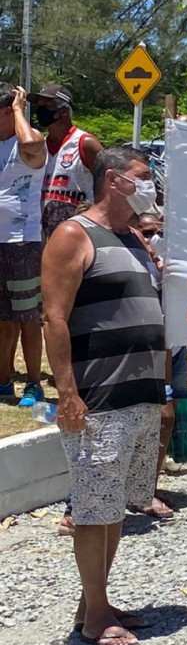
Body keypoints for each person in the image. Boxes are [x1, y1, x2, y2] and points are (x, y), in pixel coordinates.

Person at [41, 146, 170, 645]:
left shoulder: (133, 238)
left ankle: (94, 603)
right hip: (98, 397)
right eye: (143, 175)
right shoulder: (74, 234)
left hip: (139, 395)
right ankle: (96, 618)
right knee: (93, 509)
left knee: (113, 508)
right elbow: (54, 317)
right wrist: (67, 393)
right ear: (113, 180)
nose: (149, 184)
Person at [0, 84, 48, 407]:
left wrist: (19, 110)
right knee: (3, 318)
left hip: (22, 242)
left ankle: (33, 383)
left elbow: (31, 142)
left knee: (28, 317)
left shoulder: (29, 144)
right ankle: (4, 380)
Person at [33, 84, 104, 239]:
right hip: (43, 232)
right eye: (39, 105)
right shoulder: (39, 147)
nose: (40, 110)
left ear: (63, 111)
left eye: (47, 105)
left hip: (81, 231)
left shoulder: (85, 143)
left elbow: (108, 184)